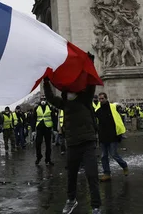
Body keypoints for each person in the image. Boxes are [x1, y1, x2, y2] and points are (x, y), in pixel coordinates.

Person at [43, 74, 101, 214]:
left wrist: (90, 65)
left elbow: (91, 86)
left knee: (92, 175)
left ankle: (96, 206)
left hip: (88, 142)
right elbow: (50, 97)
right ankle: (71, 200)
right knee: (71, 175)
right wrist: (46, 81)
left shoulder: (85, 99)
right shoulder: (64, 103)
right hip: (73, 143)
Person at [95, 92, 128, 181]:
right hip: (102, 136)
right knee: (103, 156)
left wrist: (119, 134)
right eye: (100, 99)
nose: (101, 100)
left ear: (106, 98)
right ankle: (107, 174)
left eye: (102, 98)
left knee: (114, 154)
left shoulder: (113, 108)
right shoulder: (97, 110)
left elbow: (118, 121)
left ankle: (124, 165)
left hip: (112, 135)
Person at [35, 97, 54, 166]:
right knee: (38, 143)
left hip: (47, 128)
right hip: (39, 128)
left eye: (44, 99)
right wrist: (33, 130)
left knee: (48, 145)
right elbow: (34, 118)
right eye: (42, 99)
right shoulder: (37, 107)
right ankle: (39, 157)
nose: (43, 101)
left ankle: (48, 159)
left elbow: (53, 117)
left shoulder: (50, 107)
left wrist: (54, 129)